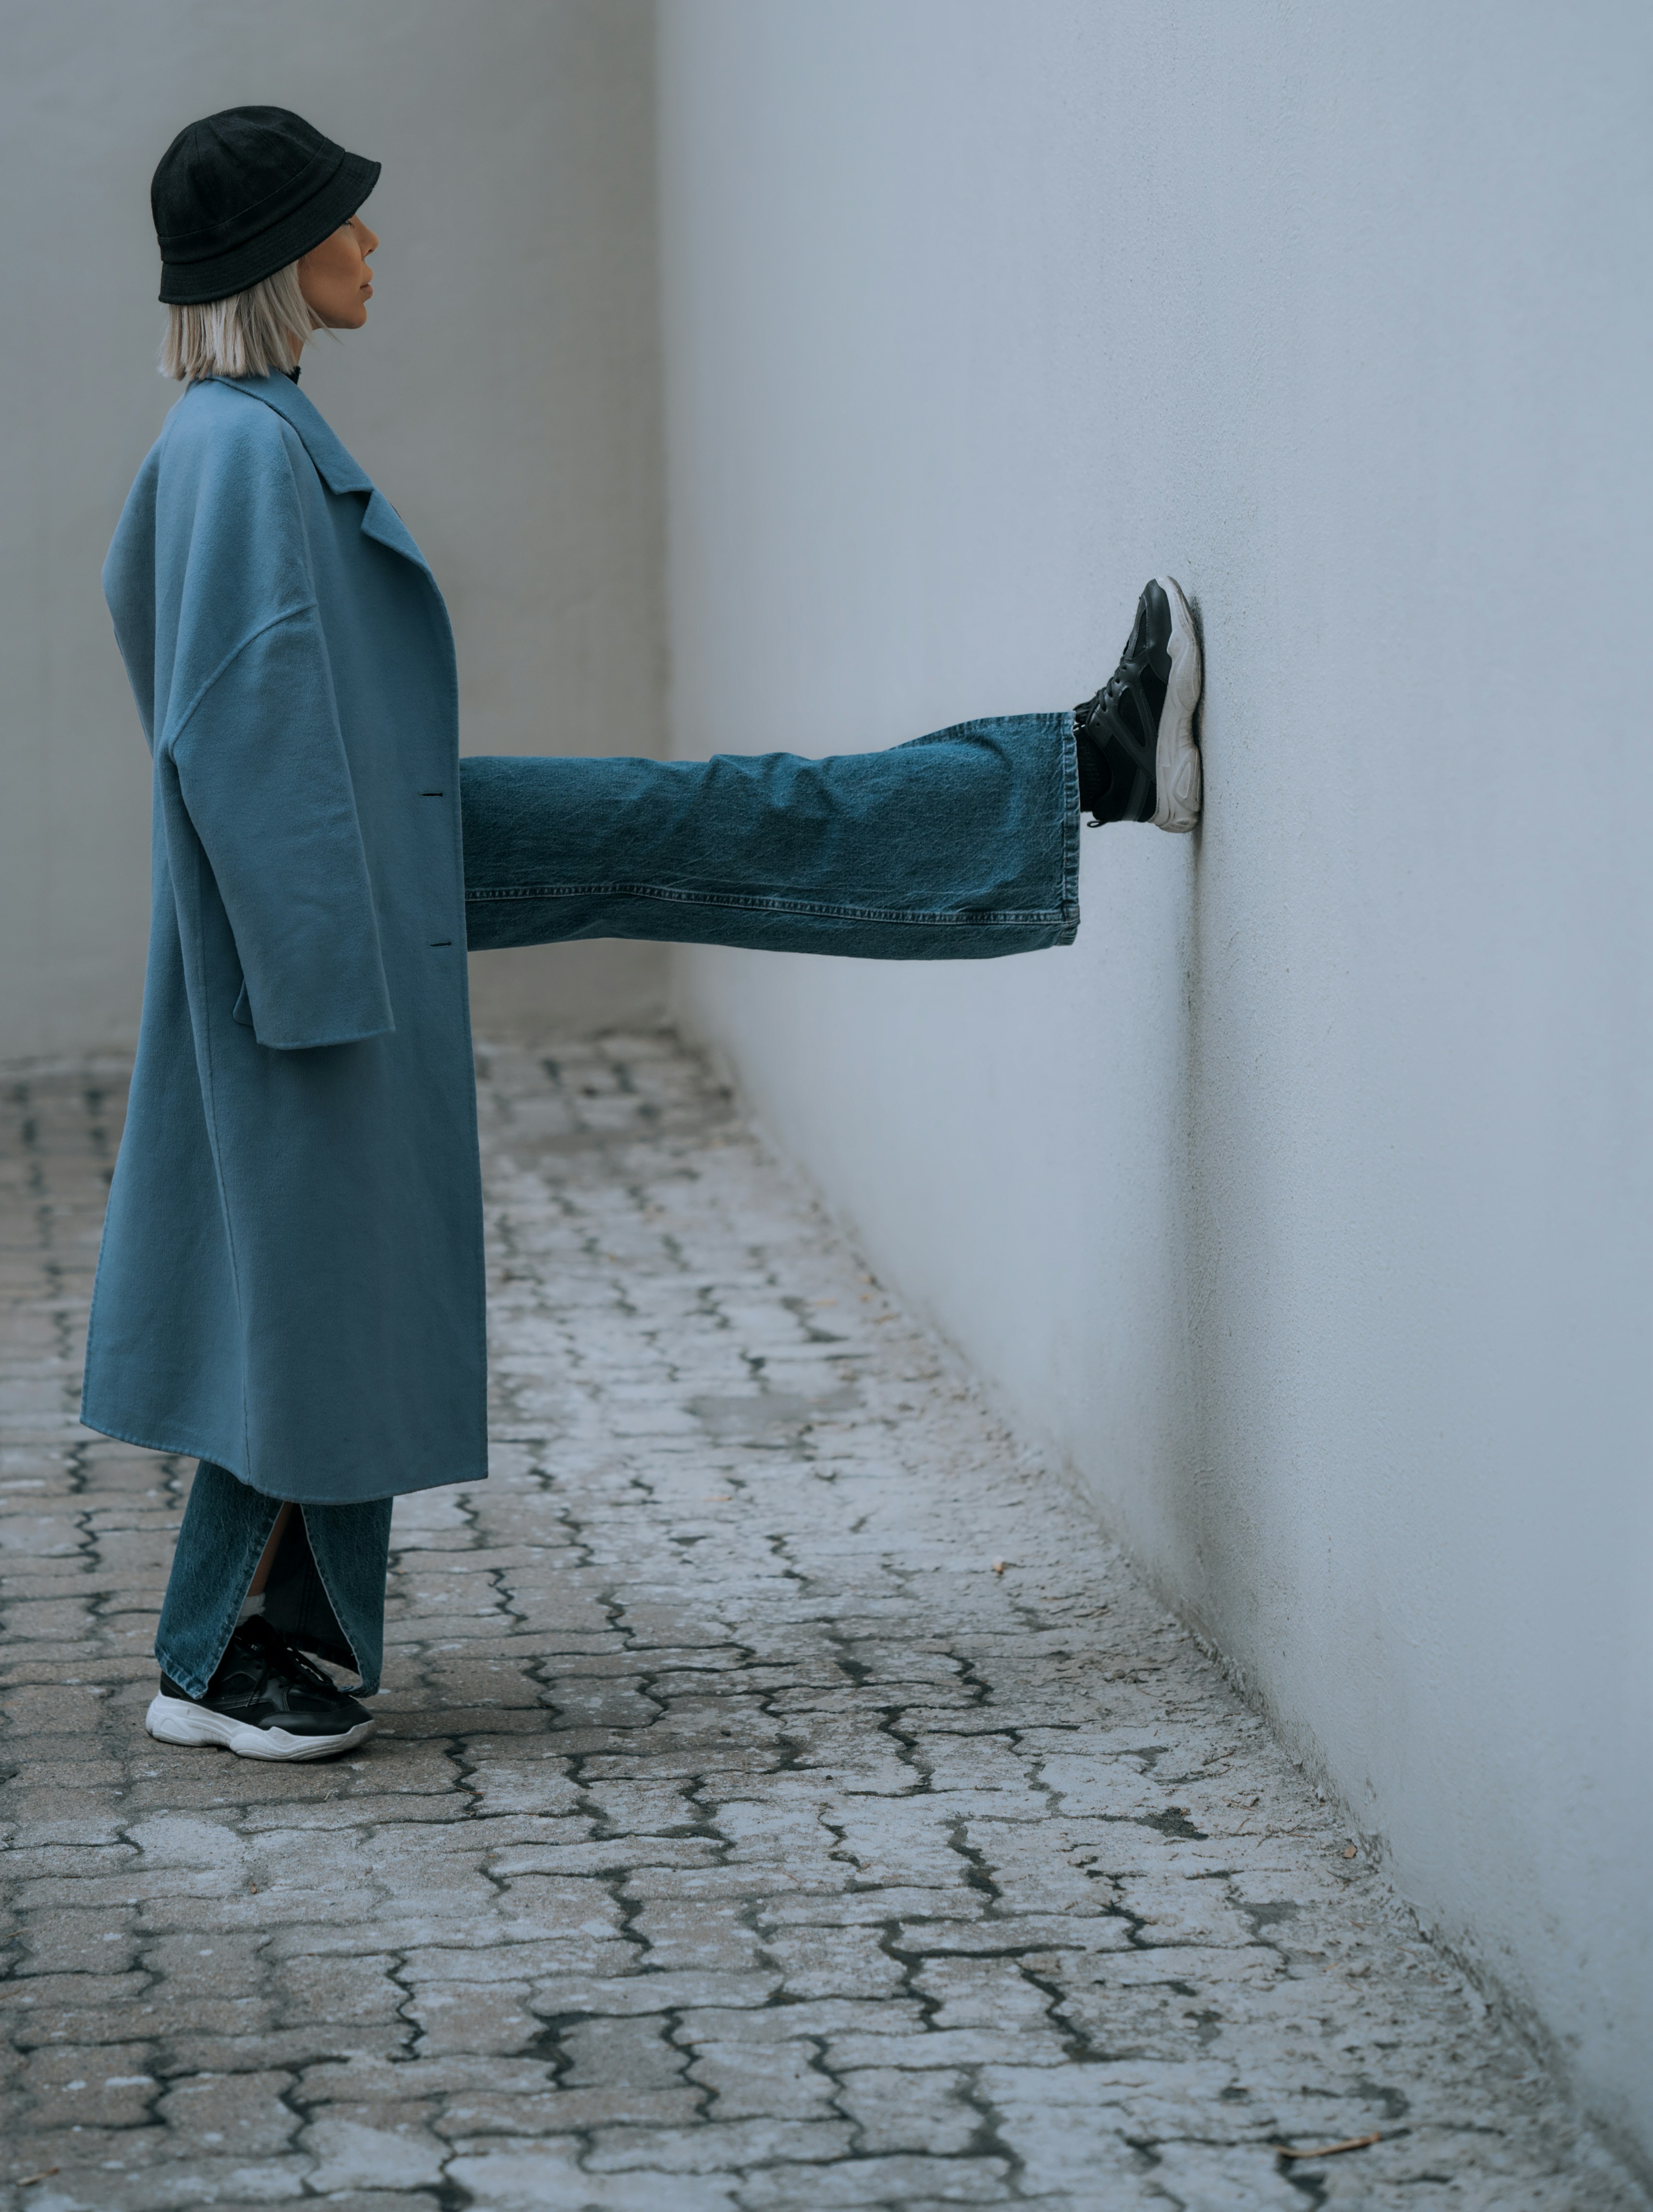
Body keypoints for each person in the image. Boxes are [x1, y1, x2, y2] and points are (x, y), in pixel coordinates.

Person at [87, 104, 1203, 1763]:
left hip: (371, 878)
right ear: (273, 259)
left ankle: (1092, 768)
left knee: (718, 822)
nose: (373, 246)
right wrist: (329, 1008)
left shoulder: (234, 438)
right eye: (345, 223)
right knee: (328, 1259)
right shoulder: (239, 451)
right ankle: (241, 1651)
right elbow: (240, 736)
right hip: (330, 936)